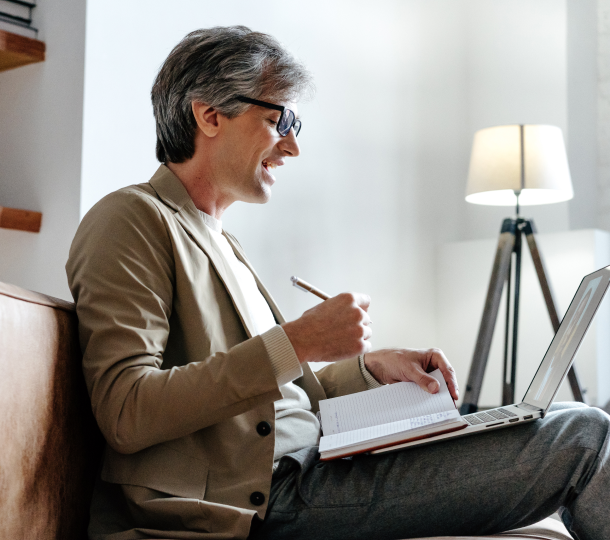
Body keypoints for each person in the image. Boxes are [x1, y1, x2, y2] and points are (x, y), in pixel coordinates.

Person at [66, 26, 610, 540]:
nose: (292, 146)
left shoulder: (220, 241)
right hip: (262, 499)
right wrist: (298, 341)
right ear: (210, 115)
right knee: (581, 436)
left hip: (312, 466)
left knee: (567, 418)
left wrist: (367, 369)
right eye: (281, 120)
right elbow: (126, 411)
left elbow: (282, 402)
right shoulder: (131, 219)